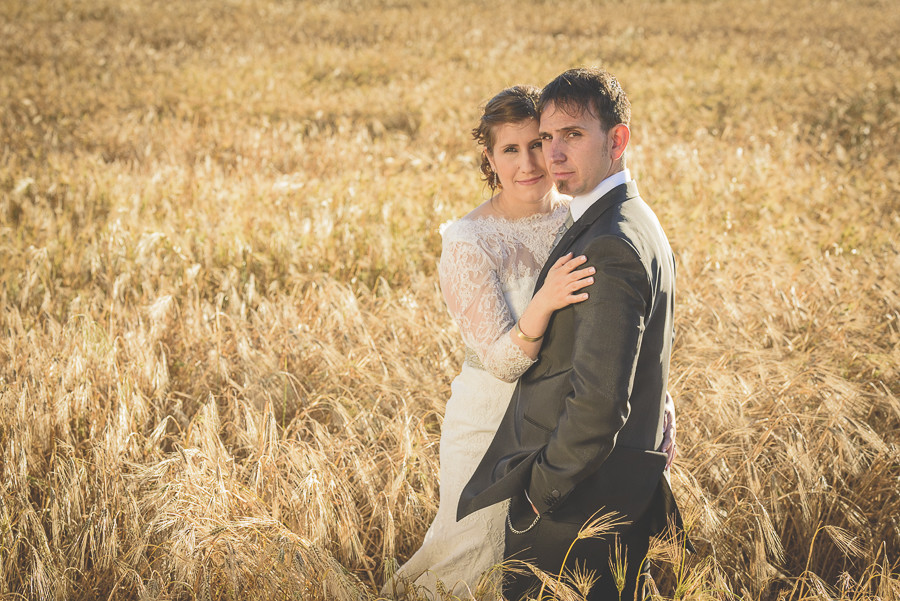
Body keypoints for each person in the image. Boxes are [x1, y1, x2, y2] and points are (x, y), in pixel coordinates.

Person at [385, 84, 678, 599]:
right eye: (511, 149)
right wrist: (542, 303)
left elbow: (618, 330)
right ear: (489, 159)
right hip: (491, 428)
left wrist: (659, 402)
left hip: (561, 428)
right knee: (470, 566)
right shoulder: (468, 240)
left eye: (538, 144)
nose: (531, 162)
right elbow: (499, 362)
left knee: (537, 576)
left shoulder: (583, 214)